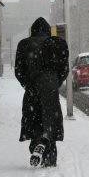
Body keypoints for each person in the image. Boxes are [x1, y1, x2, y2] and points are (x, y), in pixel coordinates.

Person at [15, 17, 69, 167]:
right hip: (50, 87)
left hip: (32, 86)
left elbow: (18, 70)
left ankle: (37, 143)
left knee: (34, 118)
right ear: (47, 31)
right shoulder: (57, 44)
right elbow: (64, 68)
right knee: (50, 118)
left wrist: (27, 84)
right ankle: (48, 147)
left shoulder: (24, 44)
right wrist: (55, 82)